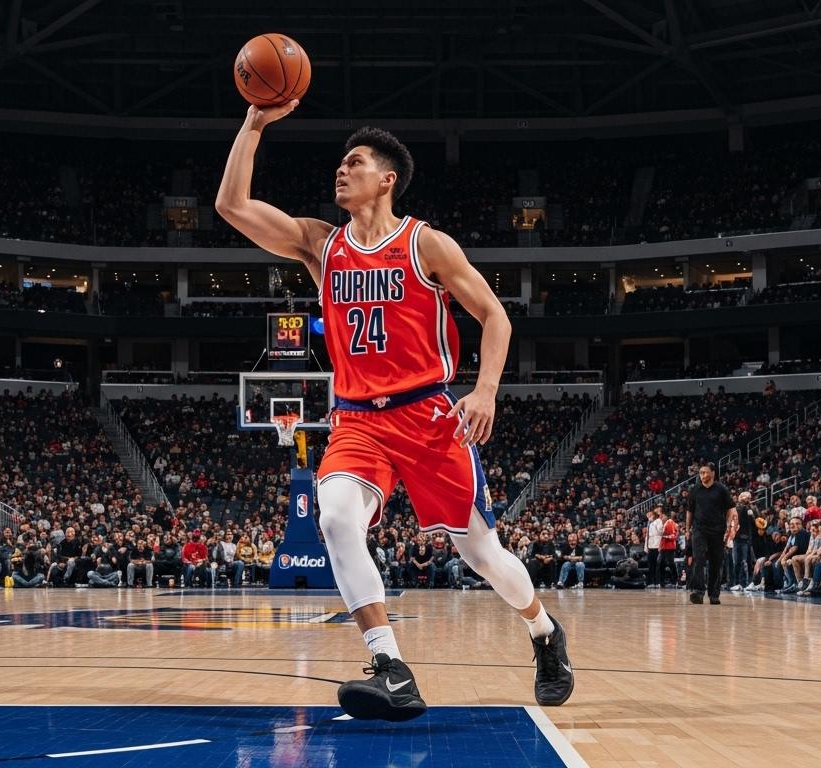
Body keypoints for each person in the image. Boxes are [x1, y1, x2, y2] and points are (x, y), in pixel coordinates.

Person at [215, 103, 572, 721]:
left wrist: (485, 390)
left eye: (354, 163)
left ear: (387, 179)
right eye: (339, 162)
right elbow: (232, 206)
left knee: (482, 555)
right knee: (334, 518)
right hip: (357, 419)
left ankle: (544, 632)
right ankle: (391, 667)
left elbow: (495, 316)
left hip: (429, 415)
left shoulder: (425, 243)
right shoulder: (320, 244)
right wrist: (253, 125)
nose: (340, 170)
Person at [684, 463, 737, 605]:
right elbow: (689, 511)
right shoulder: (694, 490)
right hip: (699, 529)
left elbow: (730, 509)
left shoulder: (721, 489)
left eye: (705, 472)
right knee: (698, 558)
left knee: (716, 562)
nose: (702, 475)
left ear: (713, 473)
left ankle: (714, 594)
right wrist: (687, 530)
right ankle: (697, 591)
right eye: (701, 473)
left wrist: (728, 527)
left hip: (717, 530)